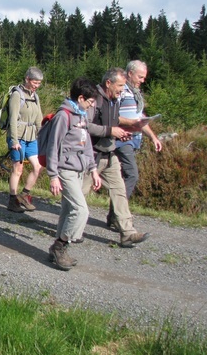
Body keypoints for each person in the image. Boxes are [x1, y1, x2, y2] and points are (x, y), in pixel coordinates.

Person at [83, 67, 150, 248]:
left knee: (119, 191)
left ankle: (127, 233)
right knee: (79, 196)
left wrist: (123, 133)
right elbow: (85, 125)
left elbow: (115, 121)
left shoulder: (114, 100)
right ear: (108, 83)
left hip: (109, 153)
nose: (122, 89)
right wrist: (110, 131)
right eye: (120, 85)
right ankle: (66, 232)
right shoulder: (93, 99)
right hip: (92, 157)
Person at [46, 78, 101, 270]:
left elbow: (87, 146)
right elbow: (53, 146)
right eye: (90, 101)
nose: (92, 105)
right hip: (65, 170)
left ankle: (57, 248)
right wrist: (53, 175)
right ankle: (60, 246)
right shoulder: (64, 116)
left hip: (79, 170)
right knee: (80, 210)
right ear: (80, 98)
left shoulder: (82, 116)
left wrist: (93, 170)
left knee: (68, 210)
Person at [106, 60, 163, 228]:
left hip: (133, 140)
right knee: (132, 175)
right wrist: (130, 122)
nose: (142, 80)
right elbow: (112, 114)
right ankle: (118, 215)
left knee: (120, 177)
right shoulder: (121, 91)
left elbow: (140, 119)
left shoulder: (136, 94)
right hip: (121, 140)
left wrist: (153, 137)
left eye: (144, 77)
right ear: (130, 74)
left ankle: (113, 214)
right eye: (140, 76)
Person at [6, 67, 44, 212]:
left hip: (32, 137)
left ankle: (24, 195)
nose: (36, 86)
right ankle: (12, 200)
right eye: (35, 82)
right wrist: (14, 140)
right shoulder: (17, 95)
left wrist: (42, 136)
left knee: (37, 167)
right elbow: (13, 119)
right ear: (27, 79)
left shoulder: (35, 96)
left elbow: (39, 118)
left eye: (39, 83)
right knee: (18, 168)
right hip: (19, 137)